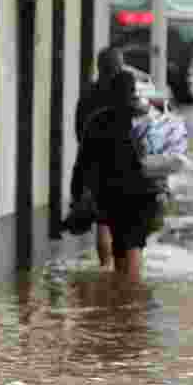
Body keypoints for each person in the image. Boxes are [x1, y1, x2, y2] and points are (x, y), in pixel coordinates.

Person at [70, 70, 166, 282]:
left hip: (115, 197)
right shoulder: (147, 119)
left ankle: (127, 295)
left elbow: (82, 164)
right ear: (134, 93)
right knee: (130, 247)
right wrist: (163, 191)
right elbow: (163, 159)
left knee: (124, 249)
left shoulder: (98, 121)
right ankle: (130, 294)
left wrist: (77, 196)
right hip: (143, 197)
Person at [72, 47, 126, 269]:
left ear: (99, 67)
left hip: (94, 162)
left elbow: (79, 128)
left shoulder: (87, 94)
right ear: (119, 67)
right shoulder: (124, 92)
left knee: (103, 221)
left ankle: (106, 267)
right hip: (121, 163)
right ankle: (121, 271)